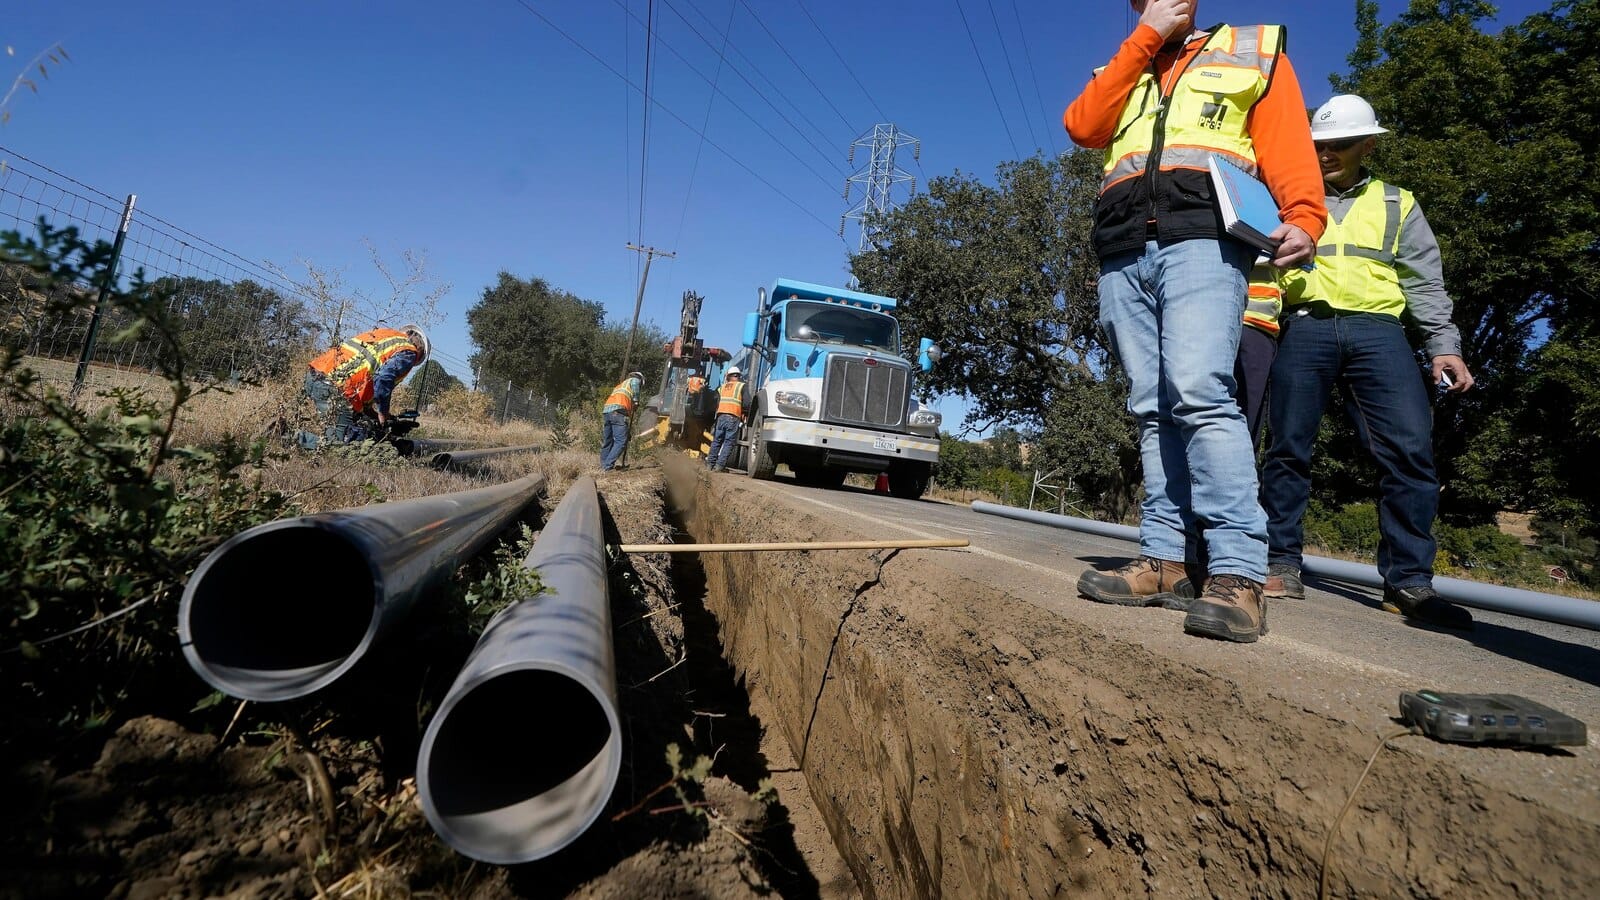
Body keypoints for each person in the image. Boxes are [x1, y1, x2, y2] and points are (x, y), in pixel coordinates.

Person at [1064, 0, 1326, 643]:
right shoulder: (1123, 67)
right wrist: (1144, 38)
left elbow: (1286, 139)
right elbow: (1083, 125)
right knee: (1151, 406)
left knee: (1202, 393)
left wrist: (1306, 215)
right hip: (1124, 248)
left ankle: (1237, 572)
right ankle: (1164, 558)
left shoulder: (1252, 50)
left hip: (1205, 242)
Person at [1260, 95, 1476, 630]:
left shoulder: (1398, 202)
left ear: (1369, 144)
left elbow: (1425, 282)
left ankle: (1408, 582)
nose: (1327, 153)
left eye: (1341, 144)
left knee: (1409, 450)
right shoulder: (1284, 198)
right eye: (1319, 145)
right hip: (1304, 326)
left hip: (1379, 332)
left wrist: (1443, 345)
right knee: (1287, 447)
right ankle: (1279, 561)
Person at [302, 324, 428, 447]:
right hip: (335, 390)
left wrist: (387, 419)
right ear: (420, 351)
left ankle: (288, 433)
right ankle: (291, 438)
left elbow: (365, 379)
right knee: (339, 446)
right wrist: (383, 415)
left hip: (315, 375)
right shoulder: (410, 352)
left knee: (353, 428)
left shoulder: (384, 335)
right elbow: (384, 378)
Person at [705, 366, 748, 473]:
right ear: (738, 376)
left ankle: (710, 464)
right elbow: (747, 403)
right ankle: (719, 466)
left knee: (717, 440)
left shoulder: (721, 388)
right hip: (733, 416)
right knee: (728, 442)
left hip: (720, 417)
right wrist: (745, 413)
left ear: (728, 376)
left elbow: (714, 403)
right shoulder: (742, 386)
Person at [600, 371, 645, 471]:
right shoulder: (634, 380)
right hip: (618, 411)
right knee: (621, 441)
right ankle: (607, 466)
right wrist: (636, 401)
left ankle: (603, 465)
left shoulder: (620, 386)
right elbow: (635, 384)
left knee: (608, 440)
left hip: (607, 412)